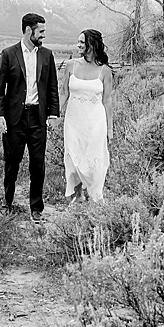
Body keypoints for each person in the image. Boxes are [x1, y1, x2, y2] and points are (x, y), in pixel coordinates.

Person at [0, 12, 60, 221]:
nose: (44, 36)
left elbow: (52, 88)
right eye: (41, 31)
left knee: (38, 164)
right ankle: (7, 201)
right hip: (15, 119)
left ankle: (36, 208)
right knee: (12, 162)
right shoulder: (8, 54)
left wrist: (54, 114)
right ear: (29, 30)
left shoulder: (47, 55)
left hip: (38, 118)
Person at [62, 28, 114, 203]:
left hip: (96, 124)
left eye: (82, 42)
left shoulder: (105, 71)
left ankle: (94, 196)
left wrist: (110, 129)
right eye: (78, 41)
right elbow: (63, 93)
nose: (78, 45)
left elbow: (107, 101)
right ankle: (77, 197)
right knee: (72, 162)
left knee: (94, 163)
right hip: (73, 122)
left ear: (92, 45)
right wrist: (52, 115)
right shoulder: (71, 65)